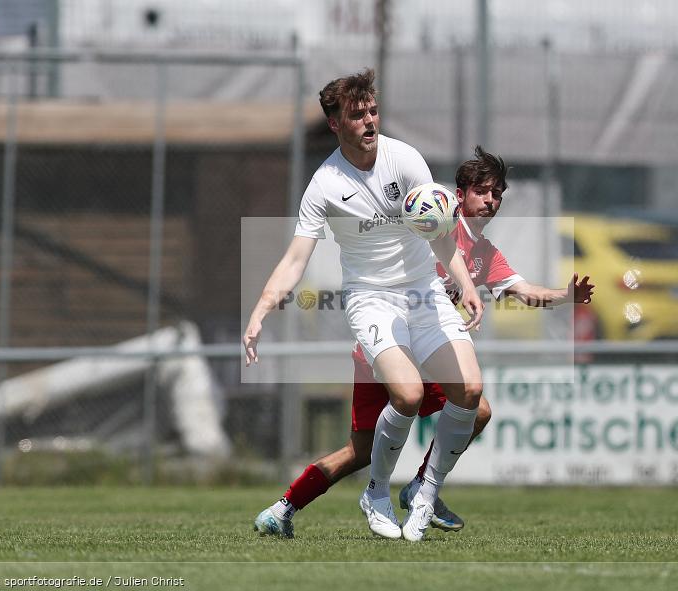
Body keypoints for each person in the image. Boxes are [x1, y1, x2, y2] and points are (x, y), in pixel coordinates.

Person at [253, 145, 595, 539]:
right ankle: (406, 490)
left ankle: (290, 508)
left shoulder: (485, 254)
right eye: (481, 191)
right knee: (376, 444)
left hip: (422, 354)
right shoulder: (430, 221)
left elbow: (523, 291)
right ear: (459, 195)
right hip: (384, 347)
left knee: (457, 413)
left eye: (497, 193)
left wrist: (564, 296)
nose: (490, 200)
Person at [243, 69, 487, 542]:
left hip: (424, 292)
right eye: (358, 115)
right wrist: (259, 311)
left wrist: (465, 283)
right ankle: (376, 493)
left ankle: (424, 493)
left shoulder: (405, 159)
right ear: (336, 123)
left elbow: (439, 232)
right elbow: (295, 260)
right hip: (372, 300)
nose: (370, 121)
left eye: (373, 111)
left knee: (473, 393)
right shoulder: (324, 184)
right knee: (407, 396)